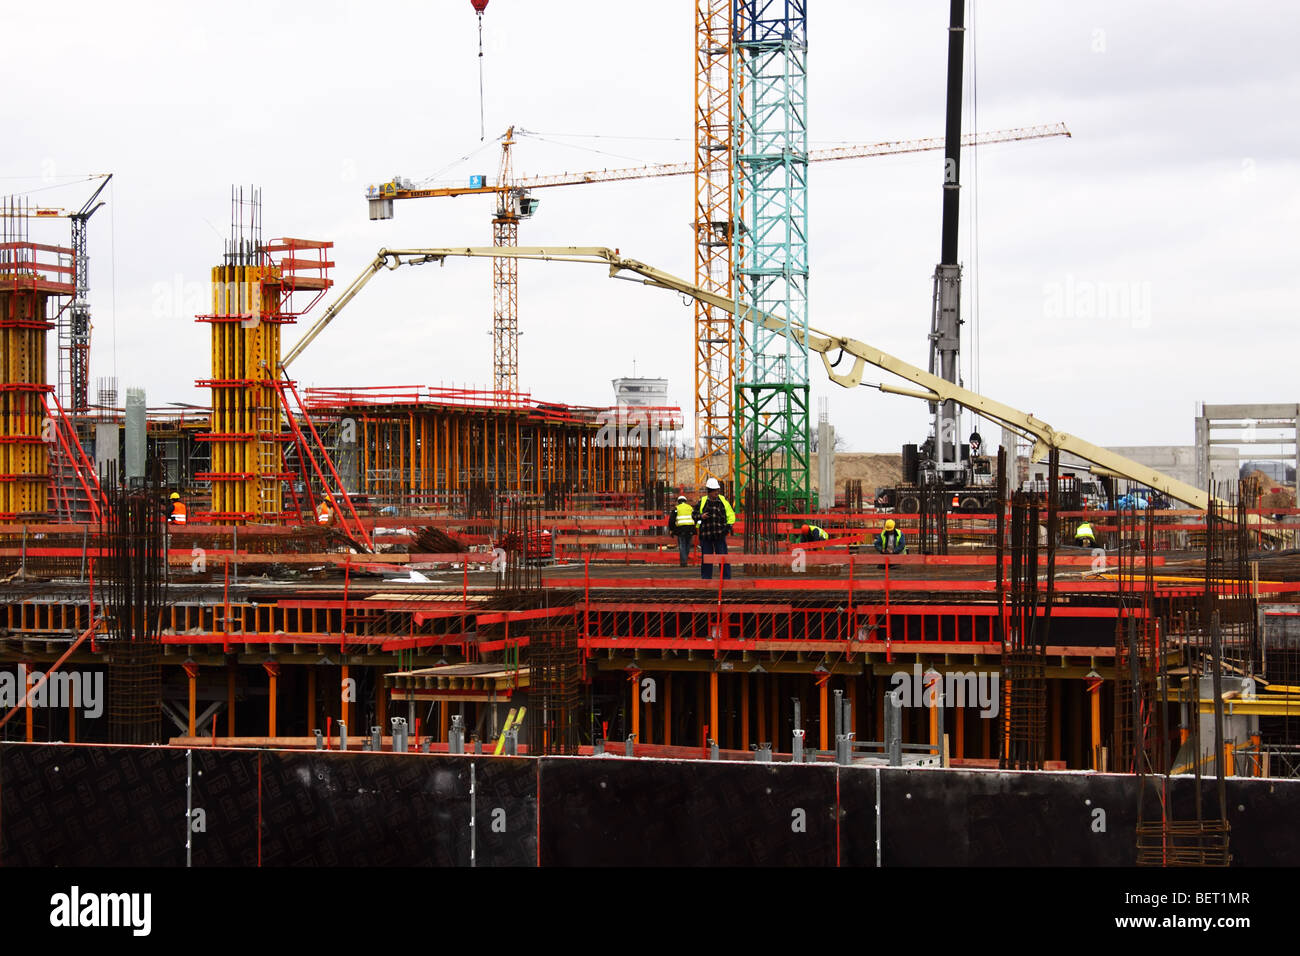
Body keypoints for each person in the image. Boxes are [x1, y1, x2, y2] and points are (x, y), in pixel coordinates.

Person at [694, 476, 735, 580]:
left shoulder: (723, 501)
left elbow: (731, 515)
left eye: (717, 490)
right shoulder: (702, 501)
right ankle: (706, 579)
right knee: (706, 559)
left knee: (723, 558)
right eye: (714, 491)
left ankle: (726, 579)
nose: (716, 492)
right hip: (706, 536)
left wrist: (728, 527)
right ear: (709, 491)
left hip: (719, 535)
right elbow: (694, 515)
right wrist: (700, 516)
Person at [667, 494, 697, 567]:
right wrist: (696, 528)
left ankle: (683, 562)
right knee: (687, 545)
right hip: (690, 529)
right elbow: (696, 517)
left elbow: (671, 520)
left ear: (678, 502)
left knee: (682, 546)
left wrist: (671, 529)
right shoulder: (690, 508)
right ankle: (685, 559)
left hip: (681, 530)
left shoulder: (676, 508)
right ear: (685, 501)